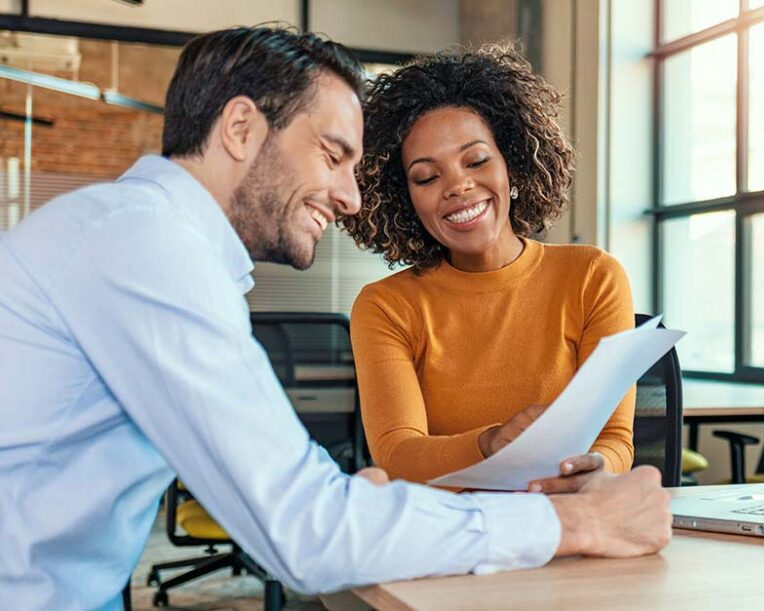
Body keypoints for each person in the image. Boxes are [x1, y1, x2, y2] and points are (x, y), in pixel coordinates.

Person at [0, 27, 670, 609]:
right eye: (332, 154)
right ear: (240, 129)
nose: (352, 197)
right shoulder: (146, 248)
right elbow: (305, 530)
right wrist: (575, 525)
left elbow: (306, 511)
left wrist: (359, 508)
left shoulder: (148, 241)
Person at [343, 46, 634, 494]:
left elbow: (614, 440)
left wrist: (596, 469)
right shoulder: (385, 306)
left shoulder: (593, 277)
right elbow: (398, 453)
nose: (457, 186)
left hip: (566, 519)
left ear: (512, 166)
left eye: (476, 161)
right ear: (405, 199)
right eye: (426, 177)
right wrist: (489, 443)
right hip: (448, 531)